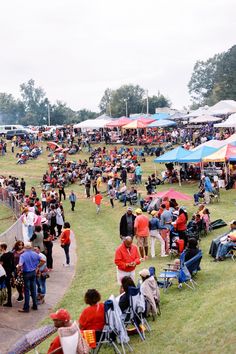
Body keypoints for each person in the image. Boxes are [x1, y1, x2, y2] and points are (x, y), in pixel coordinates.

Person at [17, 242, 46, 313]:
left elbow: (20, 264)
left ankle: (26, 308)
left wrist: (19, 269)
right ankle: (35, 305)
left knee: (27, 290)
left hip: (26, 273)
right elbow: (43, 260)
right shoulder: (35, 254)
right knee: (33, 289)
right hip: (33, 273)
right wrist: (38, 266)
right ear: (31, 247)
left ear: (25, 247)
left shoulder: (23, 255)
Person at [0, 243, 14, 307]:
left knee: (4, 286)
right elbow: (12, 263)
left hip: (4, 273)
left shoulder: (3, 256)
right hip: (9, 272)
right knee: (9, 287)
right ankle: (9, 301)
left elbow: (1, 265)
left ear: (2, 248)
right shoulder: (11, 254)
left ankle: (7, 301)